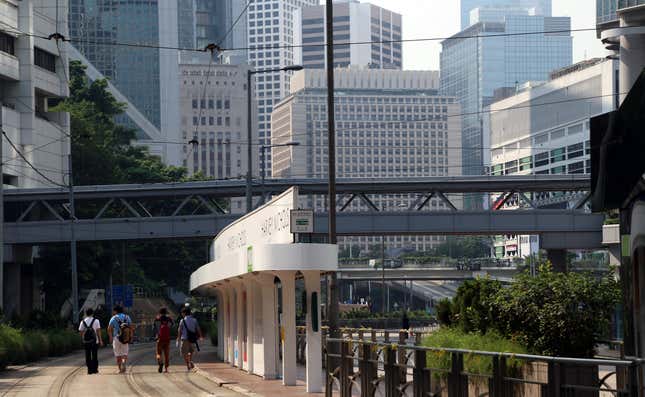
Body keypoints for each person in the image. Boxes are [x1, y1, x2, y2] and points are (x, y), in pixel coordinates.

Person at [107, 305, 133, 373]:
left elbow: (109, 329)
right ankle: (124, 362)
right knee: (124, 353)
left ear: (115, 311)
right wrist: (131, 336)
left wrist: (110, 337)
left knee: (118, 355)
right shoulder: (127, 317)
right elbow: (131, 328)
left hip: (116, 338)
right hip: (125, 338)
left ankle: (119, 369)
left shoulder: (113, 318)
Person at [78, 308, 103, 374]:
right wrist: (100, 340)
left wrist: (82, 339)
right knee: (94, 355)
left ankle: (89, 369)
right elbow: (98, 331)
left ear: (86, 314)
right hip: (95, 341)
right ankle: (95, 369)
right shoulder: (96, 321)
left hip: (86, 341)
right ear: (92, 313)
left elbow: (80, 332)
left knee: (87, 355)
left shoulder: (82, 321)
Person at [153, 307, 174, 373]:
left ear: (160, 312)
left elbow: (154, 328)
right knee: (166, 354)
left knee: (159, 353)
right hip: (167, 339)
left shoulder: (157, 319)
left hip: (159, 339)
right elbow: (171, 326)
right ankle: (166, 369)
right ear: (166, 312)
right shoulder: (169, 319)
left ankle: (160, 362)